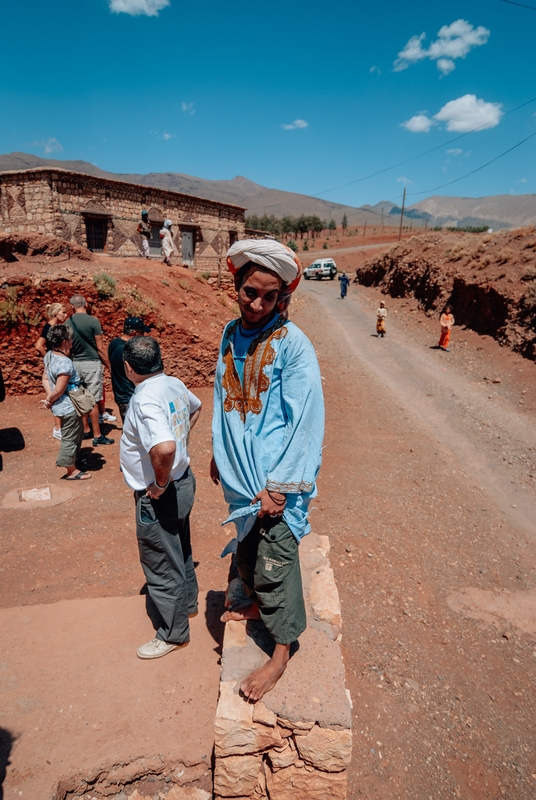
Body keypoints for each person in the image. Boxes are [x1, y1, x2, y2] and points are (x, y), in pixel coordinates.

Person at [211, 239, 324, 702]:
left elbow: (307, 418)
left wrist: (279, 486)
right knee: (248, 543)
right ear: (236, 285)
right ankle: (254, 602)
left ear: (283, 298)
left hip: (275, 478)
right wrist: (217, 452)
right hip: (241, 476)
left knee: (277, 560)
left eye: (269, 296)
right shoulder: (228, 332)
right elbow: (222, 396)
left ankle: (281, 651)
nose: (257, 304)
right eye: (249, 292)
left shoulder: (294, 346)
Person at [120, 336, 202, 659]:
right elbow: (195, 409)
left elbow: (164, 447)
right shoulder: (173, 384)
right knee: (179, 546)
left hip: (162, 491)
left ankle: (172, 633)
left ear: (128, 368)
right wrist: (180, 447)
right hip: (184, 482)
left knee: (160, 560)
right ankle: (189, 605)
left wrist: (159, 481)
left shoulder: (143, 400)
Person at [39, 324, 91, 480]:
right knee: (70, 437)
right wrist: (50, 400)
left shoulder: (49, 355)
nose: (72, 341)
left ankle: (72, 460)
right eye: (70, 338)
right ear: (63, 342)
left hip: (60, 405)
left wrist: (50, 398)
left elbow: (46, 379)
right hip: (69, 406)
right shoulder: (66, 363)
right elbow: (60, 390)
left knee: (75, 433)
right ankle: (71, 470)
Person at [67, 295, 114, 446]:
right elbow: (100, 348)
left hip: (75, 364)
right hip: (92, 363)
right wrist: (110, 365)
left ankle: (86, 429)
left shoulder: (67, 323)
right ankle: (98, 435)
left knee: (80, 397)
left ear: (72, 306)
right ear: (86, 304)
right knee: (93, 399)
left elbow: (68, 349)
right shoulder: (93, 321)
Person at [34, 302, 69, 440]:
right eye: (63, 312)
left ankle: (60, 427)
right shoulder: (49, 327)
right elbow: (39, 345)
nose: (66, 315)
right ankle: (57, 428)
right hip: (54, 364)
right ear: (55, 313)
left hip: (57, 363)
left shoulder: (56, 327)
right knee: (55, 394)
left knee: (58, 394)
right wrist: (48, 359)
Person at [108, 316, 151, 422]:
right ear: (134, 333)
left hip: (121, 393)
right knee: (134, 428)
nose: (143, 336)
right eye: (141, 333)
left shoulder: (114, 343)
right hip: (129, 394)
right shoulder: (127, 349)